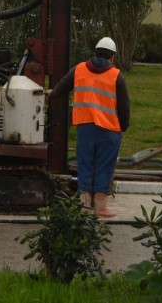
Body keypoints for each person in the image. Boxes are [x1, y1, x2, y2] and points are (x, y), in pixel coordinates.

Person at [49, 36, 130, 218]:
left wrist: (51, 94)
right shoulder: (116, 76)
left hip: (85, 128)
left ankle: (85, 207)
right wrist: (123, 126)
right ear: (112, 57)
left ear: (94, 53)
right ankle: (100, 207)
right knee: (104, 167)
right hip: (109, 130)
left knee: (84, 165)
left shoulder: (78, 70)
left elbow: (61, 87)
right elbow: (124, 106)